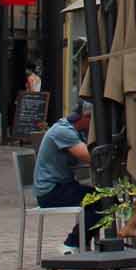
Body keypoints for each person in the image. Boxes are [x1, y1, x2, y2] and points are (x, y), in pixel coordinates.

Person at [34, 102, 94, 249]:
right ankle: (72, 244)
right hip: (51, 192)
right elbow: (90, 157)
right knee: (103, 201)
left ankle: (81, 243)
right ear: (86, 117)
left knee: (101, 198)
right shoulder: (63, 132)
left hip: (62, 186)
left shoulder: (73, 130)